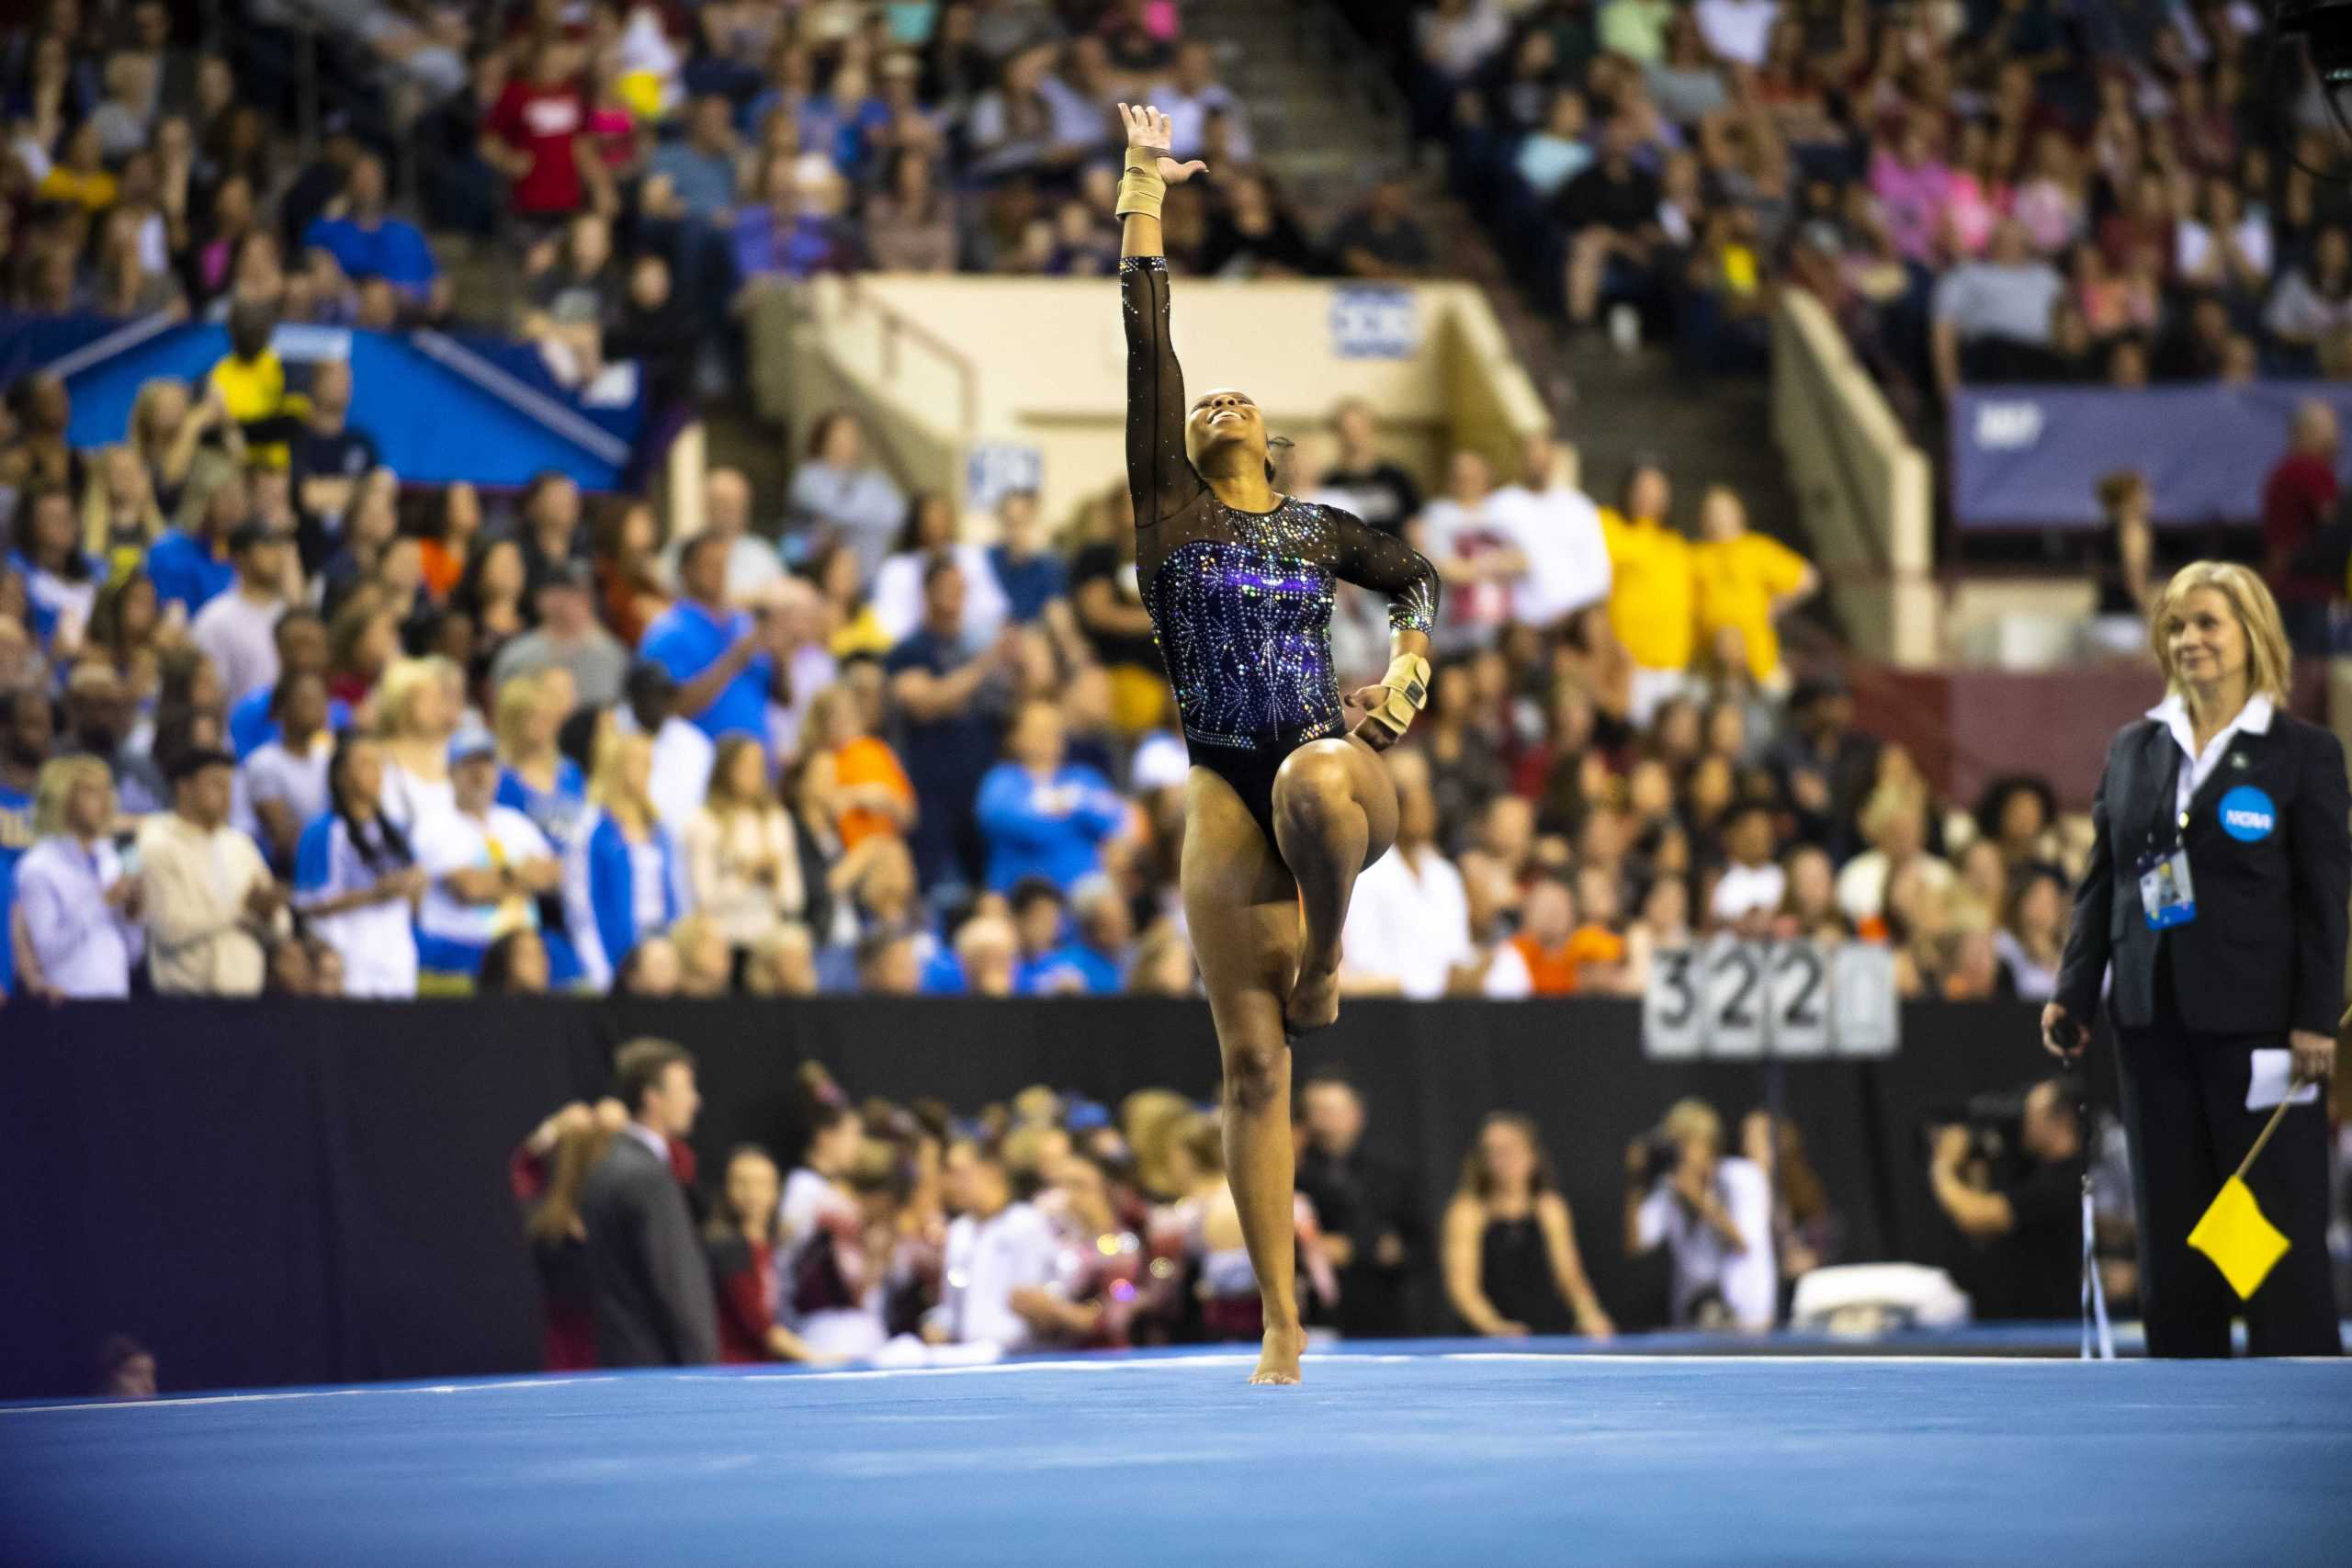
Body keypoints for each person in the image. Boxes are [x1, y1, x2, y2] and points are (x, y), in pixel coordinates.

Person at [1114, 103, 1442, 1382]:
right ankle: (1281, 1320)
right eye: (1210, 409)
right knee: (1251, 1068)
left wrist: (1407, 674)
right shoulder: (1169, 518)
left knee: (1311, 773)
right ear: (1195, 447)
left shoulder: (1318, 528)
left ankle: (1331, 954)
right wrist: (1144, 184)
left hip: (1332, 771)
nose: (1224, 401)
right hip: (1220, 786)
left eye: (1246, 400)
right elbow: (1149, 342)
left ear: (1279, 441)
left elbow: (1414, 576)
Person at [2045, 561, 2345, 1357]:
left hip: (2264, 1032)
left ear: (2252, 634)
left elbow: (2325, 903)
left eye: (2208, 622)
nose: (2190, 640)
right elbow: (2102, 881)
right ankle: (2183, 1384)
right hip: (2151, 1020)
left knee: (2268, 1221)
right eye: (2177, 625)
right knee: (2173, 1222)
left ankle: (2296, 1380)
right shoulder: (2134, 747)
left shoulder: (2302, 754)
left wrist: (2317, 1019)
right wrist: (2074, 992)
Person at [578, 1039, 720, 1368]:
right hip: (658, 1367)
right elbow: (677, 1283)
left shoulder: (606, 1165)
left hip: (620, 1357)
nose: (695, 1101)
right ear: (651, 1097)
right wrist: (705, 1368)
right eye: (685, 1089)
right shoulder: (648, 1177)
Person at [412, 728, 562, 987]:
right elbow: (468, 888)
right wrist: (521, 874)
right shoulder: (434, 824)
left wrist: (496, 878)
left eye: (486, 763)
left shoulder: (515, 822)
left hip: (525, 947)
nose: (479, 773)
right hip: (461, 949)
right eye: (469, 764)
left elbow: (555, 876)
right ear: (451, 772)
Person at [1444, 1112, 1614, 1339]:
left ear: (1532, 1154)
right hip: (1486, 1342)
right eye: (1492, 1152)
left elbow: (1570, 1276)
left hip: (1545, 1334)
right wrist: (1494, 1326)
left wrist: (1590, 1313)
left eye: (1509, 1150)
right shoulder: (1468, 1212)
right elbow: (1463, 1288)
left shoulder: (1550, 1208)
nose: (1501, 1160)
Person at [1926, 1080, 2085, 1321]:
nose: (2025, 1123)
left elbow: (1979, 1218)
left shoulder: (2068, 1178)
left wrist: (1943, 1167)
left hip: (2055, 1325)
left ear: (2062, 1119)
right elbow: (1983, 1225)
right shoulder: (2032, 1169)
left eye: (2032, 1114)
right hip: (2018, 1320)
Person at [137, 745, 285, 995]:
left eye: (229, 785)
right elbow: (169, 928)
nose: (226, 794)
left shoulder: (241, 845)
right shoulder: (158, 843)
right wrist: (242, 911)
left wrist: (268, 914)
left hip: (246, 993)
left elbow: (282, 926)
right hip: (185, 998)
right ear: (184, 788)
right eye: (216, 784)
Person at [1623, 1099, 1776, 1330]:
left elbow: (1744, 1242)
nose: (1681, 1152)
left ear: (1709, 1144)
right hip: (1693, 1320)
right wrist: (1636, 1182)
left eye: (1686, 1143)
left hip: (1748, 1320)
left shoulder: (1743, 1178)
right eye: (1675, 1144)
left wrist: (1698, 1198)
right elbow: (1635, 1243)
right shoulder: (1670, 1191)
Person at [292, 731, 425, 998]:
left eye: (379, 764)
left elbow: (413, 904)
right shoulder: (324, 831)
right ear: (340, 776)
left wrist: (415, 887)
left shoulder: (396, 833)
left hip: (396, 957)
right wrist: (376, 893)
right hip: (350, 956)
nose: (375, 772)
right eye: (364, 764)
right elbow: (308, 903)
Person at [1294, 1071, 1424, 1338]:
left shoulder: (1391, 1175)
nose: (1325, 1121)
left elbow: (1420, 1244)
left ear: (1357, 1114)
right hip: (1315, 1318)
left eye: (1333, 1110)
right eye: (1316, 1111)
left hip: (1385, 1314)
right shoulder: (1291, 1177)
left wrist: (1358, 1248)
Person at [564, 728, 686, 993]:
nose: (648, 769)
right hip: (618, 954)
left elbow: (676, 896)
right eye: (639, 761)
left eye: (650, 762)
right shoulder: (593, 827)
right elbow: (580, 906)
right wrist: (600, 972)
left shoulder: (660, 829)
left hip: (660, 947)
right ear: (617, 764)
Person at [9, 757, 141, 999]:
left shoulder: (110, 857)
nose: (104, 800)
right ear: (63, 800)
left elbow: (132, 953)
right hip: (67, 1002)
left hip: (117, 995)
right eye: (91, 791)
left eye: (107, 789)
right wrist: (101, 903)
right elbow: (47, 951)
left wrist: (132, 913)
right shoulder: (38, 866)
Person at [639, 531, 782, 747]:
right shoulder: (669, 631)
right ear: (686, 571)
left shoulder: (743, 622)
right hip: (701, 765)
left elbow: (779, 695)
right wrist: (737, 656)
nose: (719, 573)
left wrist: (782, 654)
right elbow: (672, 707)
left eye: (724, 564)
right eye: (709, 565)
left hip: (756, 762)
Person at [925, 1141, 1065, 1351]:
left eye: (961, 1174)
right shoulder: (959, 1232)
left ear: (990, 1173)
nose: (953, 1184)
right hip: (969, 1355)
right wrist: (937, 1324)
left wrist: (993, 1344)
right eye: (949, 1175)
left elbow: (1034, 1301)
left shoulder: (1027, 1224)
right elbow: (953, 1306)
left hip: (1019, 1356)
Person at [975, 699, 1126, 893]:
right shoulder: (1001, 780)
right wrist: (1071, 807)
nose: (1047, 737)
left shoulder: (1084, 777)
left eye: (1054, 730)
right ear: (1015, 737)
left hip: (1083, 891)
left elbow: (1115, 819)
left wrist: (1068, 804)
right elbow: (1007, 821)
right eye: (1038, 730)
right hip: (1021, 893)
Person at [704, 1145, 831, 1365]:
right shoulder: (728, 1248)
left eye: (761, 1183)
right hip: (737, 1369)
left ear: (775, 1190)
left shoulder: (772, 1247)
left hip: (765, 1364)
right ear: (726, 1188)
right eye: (741, 1182)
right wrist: (817, 1358)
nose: (751, 1193)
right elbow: (761, 1326)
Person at [686, 734, 806, 963]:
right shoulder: (705, 822)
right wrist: (744, 877)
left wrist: (775, 876)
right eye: (745, 765)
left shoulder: (776, 820)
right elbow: (703, 898)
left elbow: (794, 898)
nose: (754, 774)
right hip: (725, 939)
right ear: (725, 769)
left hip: (770, 942)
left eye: (759, 766)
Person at [489, 560, 628, 710]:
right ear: (543, 598)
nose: (577, 600)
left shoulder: (613, 655)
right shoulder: (518, 656)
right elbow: (500, 711)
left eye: (583, 592)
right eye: (569, 591)